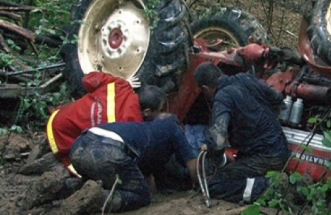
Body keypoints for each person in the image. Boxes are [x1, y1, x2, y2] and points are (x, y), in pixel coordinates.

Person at [193, 62, 291, 204]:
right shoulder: (246, 78)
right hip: (280, 148)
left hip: (265, 157)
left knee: (214, 185)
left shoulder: (222, 97)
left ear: (205, 89)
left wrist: (210, 148)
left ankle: (267, 187)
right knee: (235, 167)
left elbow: (217, 141)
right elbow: (277, 97)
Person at [64, 117, 198, 213]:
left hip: (78, 146)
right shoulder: (173, 127)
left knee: (103, 182)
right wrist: (200, 188)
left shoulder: (144, 133)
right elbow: (193, 165)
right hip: (107, 149)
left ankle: (66, 188)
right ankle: (99, 199)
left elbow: (142, 178)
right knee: (143, 197)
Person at [46, 71, 145, 176]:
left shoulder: (120, 85)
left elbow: (87, 80)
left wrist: (123, 82)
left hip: (61, 115)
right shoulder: (133, 125)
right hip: (60, 138)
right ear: (147, 111)